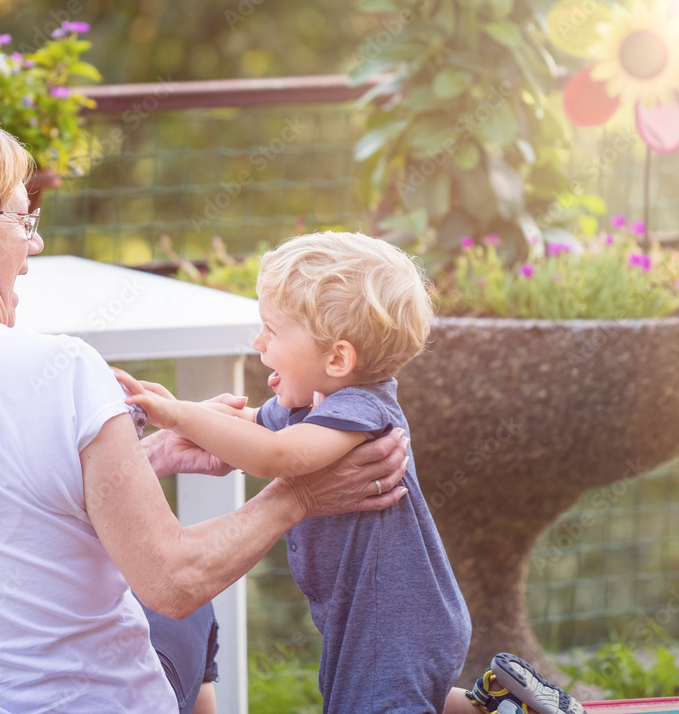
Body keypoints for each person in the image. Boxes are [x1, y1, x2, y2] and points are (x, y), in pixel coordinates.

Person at [0, 101, 411, 713]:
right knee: (189, 611)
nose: (34, 242)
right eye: (21, 219)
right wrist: (300, 495)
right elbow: (172, 580)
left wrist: (144, 456)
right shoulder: (62, 370)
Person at [117, 232, 589, 714]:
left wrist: (176, 416)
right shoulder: (316, 406)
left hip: (395, 624)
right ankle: (499, 706)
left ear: (338, 359)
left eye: (272, 331)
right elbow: (246, 423)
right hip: (369, 620)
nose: (258, 342)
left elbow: (273, 457)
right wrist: (171, 409)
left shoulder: (361, 410)